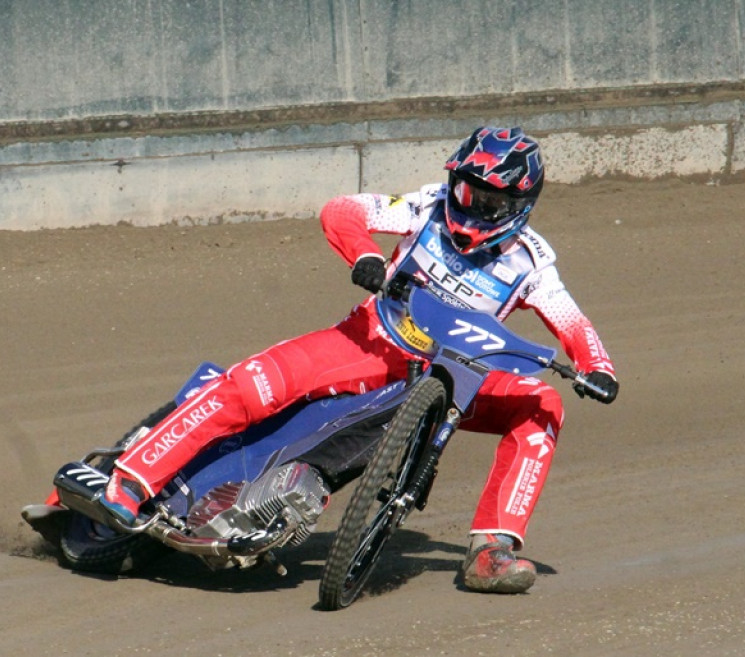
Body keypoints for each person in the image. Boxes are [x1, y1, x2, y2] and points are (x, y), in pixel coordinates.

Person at [97, 125, 618, 593]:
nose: (474, 205)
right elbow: (341, 210)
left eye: (491, 200)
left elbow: (573, 323)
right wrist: (365, 254)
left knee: (543, 406)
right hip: (368, 342)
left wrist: (597, 367)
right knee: (248, 385)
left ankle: (491, 551)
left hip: (462, 378)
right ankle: (128, 483)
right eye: (468, 189)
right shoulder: (425, 207)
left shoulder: (532, 263)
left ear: (519, 207)